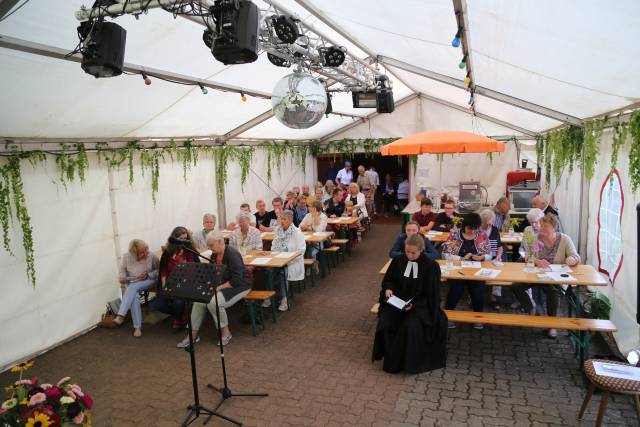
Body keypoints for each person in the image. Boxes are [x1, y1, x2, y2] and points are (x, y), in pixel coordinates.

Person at [372, 234, 448, 374]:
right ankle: (391, 360)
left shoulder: (431, 266)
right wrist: (388, 289)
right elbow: (389, 280)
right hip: (397, 302)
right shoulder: (398, 260)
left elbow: (432, 295)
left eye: (413, 253)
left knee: (409, 326)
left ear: (421, 250)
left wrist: (415, 305)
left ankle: (408, 363)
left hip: (420, 306)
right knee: (385, 321)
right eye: (407, 251)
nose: (409, 255)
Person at [176, 231, 250, 348]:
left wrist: (219, 287)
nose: (210, 249)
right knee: (199, 301)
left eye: (212, 245)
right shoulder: (214, 255)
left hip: (239, 286)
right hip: (222, 286)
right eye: (209, 246)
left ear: (220, 242)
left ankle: (226, 332)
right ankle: (192, 335)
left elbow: (238, 279)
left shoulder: (231, 254)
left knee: (213, 303)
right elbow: (213, 273)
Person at [511, 214, 580, 338]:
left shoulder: (564, 240)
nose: (541, 228)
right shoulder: (539, 239)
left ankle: (552, 326)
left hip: (554, 277)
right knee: (516, 286)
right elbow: (528, 256)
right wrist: (538, 262)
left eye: (545, 226)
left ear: (554, 227)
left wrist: (571, 259)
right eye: (541, 225)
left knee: (553, 292)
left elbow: (575, 256)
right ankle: (531, 307)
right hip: (536, 276)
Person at [442, 213, 491, 330]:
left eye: (475, 229)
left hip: (476, 271)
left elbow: (489, 254)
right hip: (457, 270)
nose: (472, 232)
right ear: (464, 225)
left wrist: (482, 257)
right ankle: (447, 316)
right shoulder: (455, 234)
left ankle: (478, 318)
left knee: (477, 291)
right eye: (470, 229)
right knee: (456, 290)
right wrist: (460, 258)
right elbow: (445, 254)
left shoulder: (482, 235)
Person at [104, 239, 160, 337]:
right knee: (134, 296)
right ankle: (137, 328)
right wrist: (122, 278)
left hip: (150, 279)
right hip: (134, 280)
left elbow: (159, 271)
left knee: (132, 287)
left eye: (146, 249)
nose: (146, 253)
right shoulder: (127, 257)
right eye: (142, 252)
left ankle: (121, 315)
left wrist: (148, 275)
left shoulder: (152, 256)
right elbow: (122, 270)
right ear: (134, 254)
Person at [153, 227, 200, 331]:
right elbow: (163, 271)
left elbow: (198, 268)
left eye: (185, 238)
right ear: (174, 239)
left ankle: (177, 319)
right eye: (180, 238)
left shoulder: (190, 250)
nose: (183, 241)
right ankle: (181, 314)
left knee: (178, 301)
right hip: (170, 283)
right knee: (157, 305)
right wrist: (165, 287)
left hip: (187, 283)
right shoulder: (168, 252)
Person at [266, 210, 306, 311]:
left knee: (284, 273)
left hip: (292, 262)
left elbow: (301, 251)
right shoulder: (278, 230)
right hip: (278, 260)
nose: (282, 221)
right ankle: (269, 297)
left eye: (284, 219)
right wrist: (273, 255)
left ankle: (284, 300)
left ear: (290, 220)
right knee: (268, 271)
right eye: (280, 219)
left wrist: (288, 261)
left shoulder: (297, 232)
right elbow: (274, 246)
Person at [478, 209, 505, 310]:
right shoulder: (477, 230)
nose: (489, 226)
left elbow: (500, 246)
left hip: (493, 258)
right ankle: (474, 295)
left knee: (498, 272)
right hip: (479, 258)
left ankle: (494, 296)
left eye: (491, 223)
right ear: (482, 222)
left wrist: (498, 256)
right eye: (487, 224)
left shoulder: (495, 230)